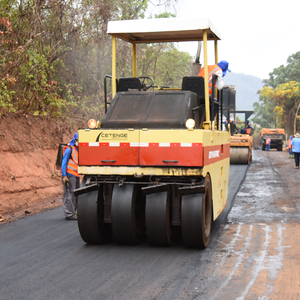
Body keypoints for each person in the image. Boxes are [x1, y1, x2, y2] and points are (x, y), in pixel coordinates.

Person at [61, 133, 79, 220]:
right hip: (69, 174)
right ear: (74, 140)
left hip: (76, 175)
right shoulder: (69, 149)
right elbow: (64, 162)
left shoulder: (78, 150)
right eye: (78, 140)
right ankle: (69, 214)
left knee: (75, 194)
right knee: (69, 194)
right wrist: (64, 175)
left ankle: (73, 212)